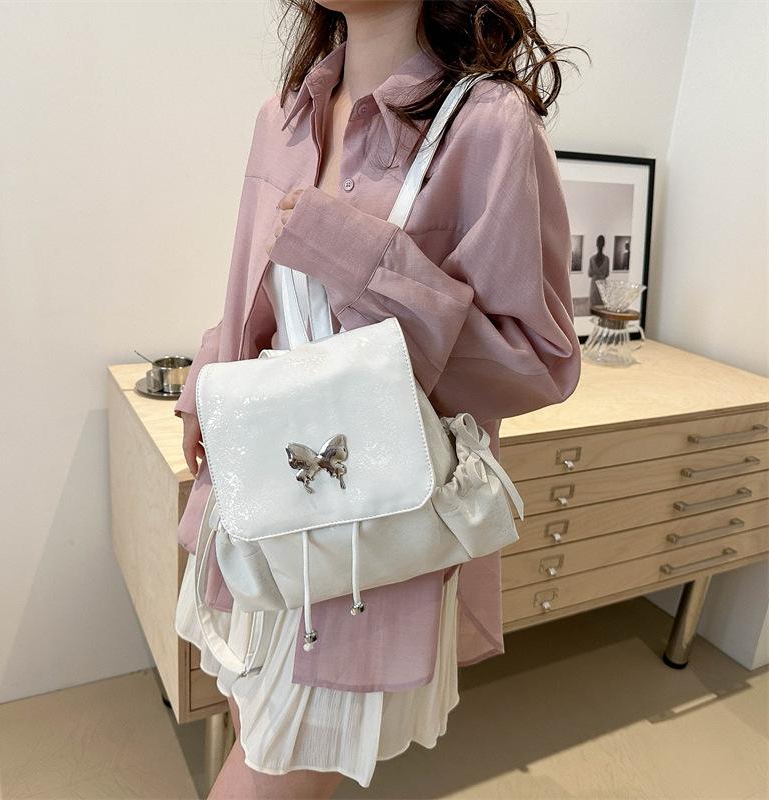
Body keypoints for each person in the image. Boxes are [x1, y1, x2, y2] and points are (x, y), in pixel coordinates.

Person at [174, 1, 585, 796]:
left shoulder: (489, 124)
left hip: (366, 534)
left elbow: (538, 362)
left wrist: (360, 259)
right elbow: (253, 287)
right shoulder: (283, 115)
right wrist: (205, 377)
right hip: (257, 491)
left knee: (270, 770)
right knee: (251, 721)